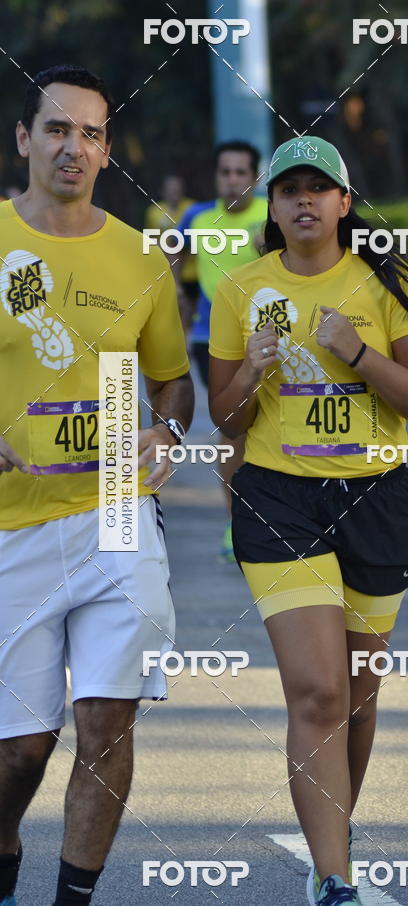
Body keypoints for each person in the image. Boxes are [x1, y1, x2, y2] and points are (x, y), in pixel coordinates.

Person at [208, 137, 408, 906]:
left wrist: (359, 356)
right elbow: (226, 419)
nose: (303, 200)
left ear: (345, 202)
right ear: (272, 208)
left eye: (319, 188)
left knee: (358, 699)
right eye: (288, 190)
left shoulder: (389, 282)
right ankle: (337, 880)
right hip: (279, 499)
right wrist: (249, 370)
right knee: (317, 694)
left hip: (376, 499)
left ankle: (329, 846)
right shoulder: (242, 289)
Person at [0, 64, 194, 906]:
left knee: (107, 721)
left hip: (119, 512)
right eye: (56, 129)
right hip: (14, 529)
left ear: (107, 151)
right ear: (24, 140)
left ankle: (73, 900)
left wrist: (169, 427)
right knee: (20, 752)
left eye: (89, 133)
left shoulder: (141, 257)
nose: (72, 146)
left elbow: (172, 381)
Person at [173, 140, 266, 561]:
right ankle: (236, 522)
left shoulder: (271, 215)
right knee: (233, 430)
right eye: (225, 173)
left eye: (240, 173)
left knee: (272, 425)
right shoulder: (197, 217)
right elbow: (172, 256)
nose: (232, 181)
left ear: (255, 177)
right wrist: (177, 291)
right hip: (209, 340)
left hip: (269, 338)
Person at [144, 174, 197, 327]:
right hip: (166, 269)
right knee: (172, 306)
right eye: (170, 189)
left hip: (191, 269)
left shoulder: (191, 208)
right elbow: (151, 240)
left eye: (177, 189)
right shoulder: (154, 212)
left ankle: (190, 336)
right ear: (163, 191)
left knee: (190, 304)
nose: (174, 192)